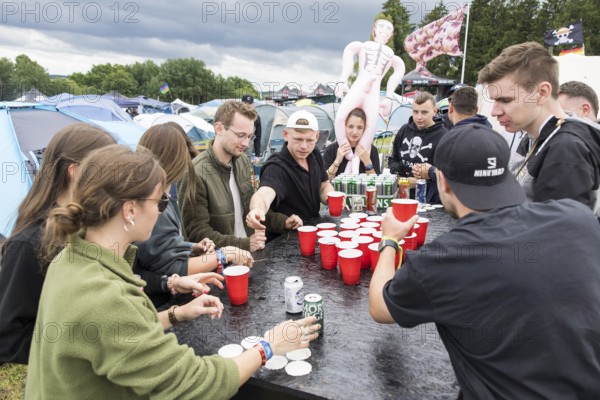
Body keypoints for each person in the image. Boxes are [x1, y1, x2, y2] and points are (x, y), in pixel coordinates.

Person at [25, 144, 320, 399]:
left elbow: (111, 334)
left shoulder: (71, 258)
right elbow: (194, 384)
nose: (161, 211)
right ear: (129, 210)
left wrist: (176, 314)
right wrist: (268, 346)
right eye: (160, 201)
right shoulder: (102, 295)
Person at [370, 124, 600, 398]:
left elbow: (380, 308)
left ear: (441, 181)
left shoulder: (444, 259)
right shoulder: (578, 217)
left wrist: (390, 240)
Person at [0, 124, 217, 365]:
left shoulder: (92, 228)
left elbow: (124, 274)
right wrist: (92, 340)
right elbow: (10, 340)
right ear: (75, 172)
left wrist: (171, 283)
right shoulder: (29, 244)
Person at [135, 124, 252, 305]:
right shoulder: (152, 202)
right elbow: (175, 267)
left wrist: (190, 246)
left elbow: (151, 251)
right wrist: (223, 254)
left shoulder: (154, 194)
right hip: (156, 303)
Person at [478, 41, 600, 213]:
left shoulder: (566, 149)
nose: (494, 112)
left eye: (505, 100)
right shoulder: (535, 137)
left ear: (542, 93)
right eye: (494, 100)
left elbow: (558, 234)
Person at [179, 101, 298, 252]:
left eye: (250, 136)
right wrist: (243, 244)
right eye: (241, 136)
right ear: (219, 128)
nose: (246, 143)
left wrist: (283, 222)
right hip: (218, 267)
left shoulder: (242, 161)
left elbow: (251, 209)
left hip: (248, 257)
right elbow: (197, 234)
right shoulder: (195, 173)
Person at [334, 18, 405, 173]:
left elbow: (399, 69)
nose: (384, 30)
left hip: (373, 92)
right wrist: (343, 79)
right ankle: (348, 156)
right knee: (340, 117)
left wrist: (389, 97)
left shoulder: (391, 56)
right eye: (381, 27)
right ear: (374, 30)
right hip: (359, 85)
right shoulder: (363, 46)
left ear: (391, 35)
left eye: (388, 29)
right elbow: (349, 50)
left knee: (371, 127)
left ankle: (354, 163)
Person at [246, 110, 333, 234]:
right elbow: (264, 194)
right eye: (298, 139)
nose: (304, 146)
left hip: (312, 230)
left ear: (317, 137)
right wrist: (256, 209)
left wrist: (332, 198)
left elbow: (323, 186)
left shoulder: (315, 154)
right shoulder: (276, 167)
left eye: (309, 140)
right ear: (286, 134)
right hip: (285, 240)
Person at [413, 86, 491, 183]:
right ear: (476, 109)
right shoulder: (492, 134)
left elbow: (457, 176)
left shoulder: (455, 139)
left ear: (450, 108)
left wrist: (430, 171)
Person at [388, 91, 447, 204]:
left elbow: (446, 175)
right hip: (402, 197)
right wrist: (398, 173)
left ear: (434, 111)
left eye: (424, 112)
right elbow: (393, 159)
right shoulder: (404, 130)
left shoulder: (444, 136)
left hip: (431, 201)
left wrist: (420, 181)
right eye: (415, 112)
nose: (419, 117)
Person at [323, 107, 381, 178]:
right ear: (344, 126)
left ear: (364, 129)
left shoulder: (371, 150)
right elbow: (324, 182)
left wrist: (367, 162)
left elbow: (377, 182)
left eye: (359, 127)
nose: (354, 132)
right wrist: (337, 161)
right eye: (350, 127)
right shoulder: (331, 149)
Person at [241, 94, 262, 164]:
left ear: (252, 104)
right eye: (245, 103)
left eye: (250, 103)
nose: (248, 105)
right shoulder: (236, 115)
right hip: (235, 147)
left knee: (245, 169)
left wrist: (257, 155)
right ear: (242, 103)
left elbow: (258, 136)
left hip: (247, 149)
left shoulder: (256, 118)